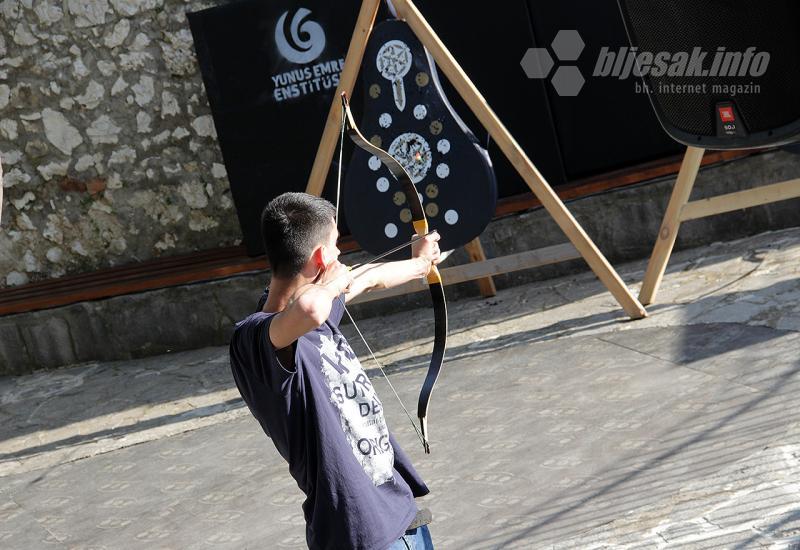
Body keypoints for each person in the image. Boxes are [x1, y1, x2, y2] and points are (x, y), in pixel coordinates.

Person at [229, 192, 441, 550]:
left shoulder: (315, 307)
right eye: (336, 246)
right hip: (356, 532)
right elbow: (311, 308)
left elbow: (369, 277)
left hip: (398, 513)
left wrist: (420, 265)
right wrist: (331, 283)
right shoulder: (254, 338)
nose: (341, 256)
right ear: (319, 257)